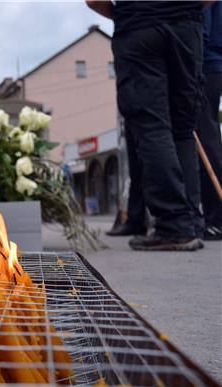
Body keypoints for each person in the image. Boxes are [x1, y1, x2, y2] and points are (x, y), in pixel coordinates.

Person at [87, 1, 206, 251]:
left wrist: (124, 13)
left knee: (152, 126)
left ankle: (174, 225)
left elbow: (93, 1)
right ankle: (191, 221)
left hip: (138, 26)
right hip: (186, 28)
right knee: (183, 129)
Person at [197, 1, 222, 241]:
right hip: (213, 64)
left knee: (207, 138)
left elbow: (201, 26)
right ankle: (214, 217)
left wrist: (193, 64)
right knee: (211, 135)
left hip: (205, 64)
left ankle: (216, 219)